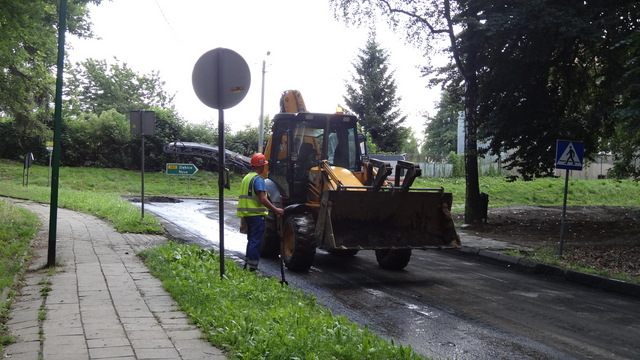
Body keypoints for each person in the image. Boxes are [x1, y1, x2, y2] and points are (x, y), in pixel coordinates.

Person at [237, 153, 285, 271]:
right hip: (256, 215)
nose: (265, 167)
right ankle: (252, 269)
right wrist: (276, 210)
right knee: (256, 241)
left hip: (246, 215)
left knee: (251, 240)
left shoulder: (247, 178)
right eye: (264, 165)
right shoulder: (258, 180)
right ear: (261, 166)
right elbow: (262, 198)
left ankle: (247, 266)